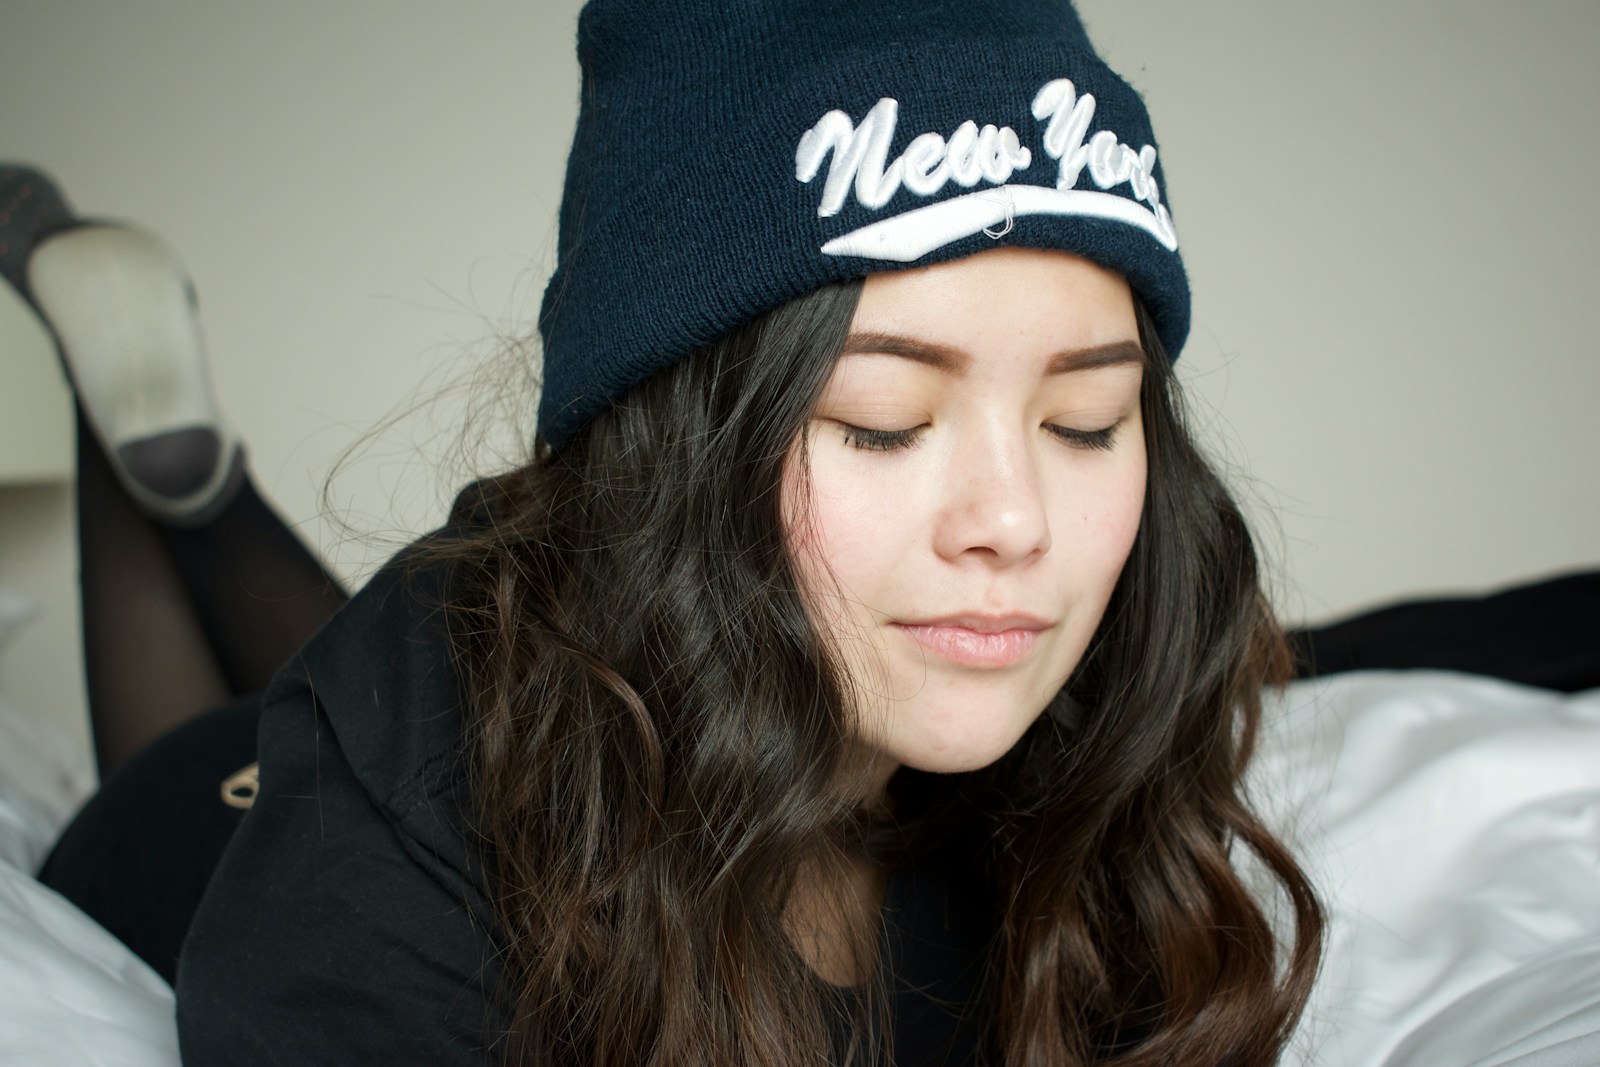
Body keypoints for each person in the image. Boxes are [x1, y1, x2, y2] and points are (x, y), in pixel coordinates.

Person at [9, 0, 1334, 1062]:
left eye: (1087, 420)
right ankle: (128, 421)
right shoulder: (395, 804)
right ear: (676, 458)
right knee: (353, 694)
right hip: (203, 817)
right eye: (879, 420)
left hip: (515, 698)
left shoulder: (1100, 721)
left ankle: (160, 437)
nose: (1012, 522)